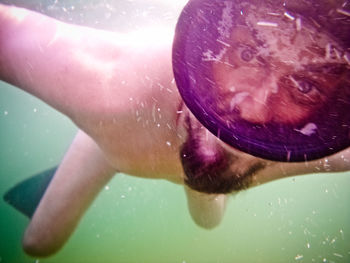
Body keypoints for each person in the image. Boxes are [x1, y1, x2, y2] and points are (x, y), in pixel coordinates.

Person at [0, 1, 349, 257]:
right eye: (245, 54)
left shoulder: (323, 152)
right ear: (209, 45)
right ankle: (97, 141)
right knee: (39, 244)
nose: (251, 110)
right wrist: (106, 125)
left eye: (305, 87)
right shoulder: (109, 90)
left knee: (208, 223)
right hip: (122, 128)